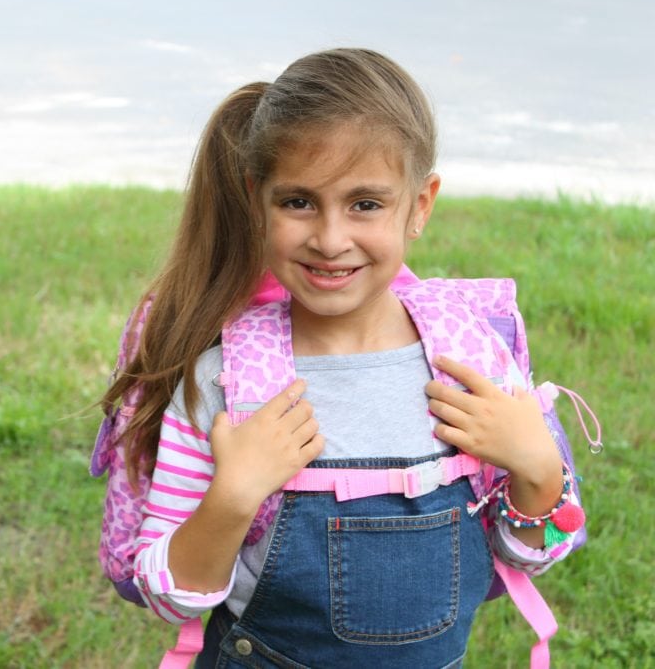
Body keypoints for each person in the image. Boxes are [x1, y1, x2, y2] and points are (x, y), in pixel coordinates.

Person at [102, 48, 580, 668]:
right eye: (298, 201)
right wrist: (233, 495)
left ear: (421, 205)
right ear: (258, 200)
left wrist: (538, 468)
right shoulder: (227, 380)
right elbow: (169, 597)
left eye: (366, 204)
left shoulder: (471, 357)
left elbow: (530, 551)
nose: (330, 239)